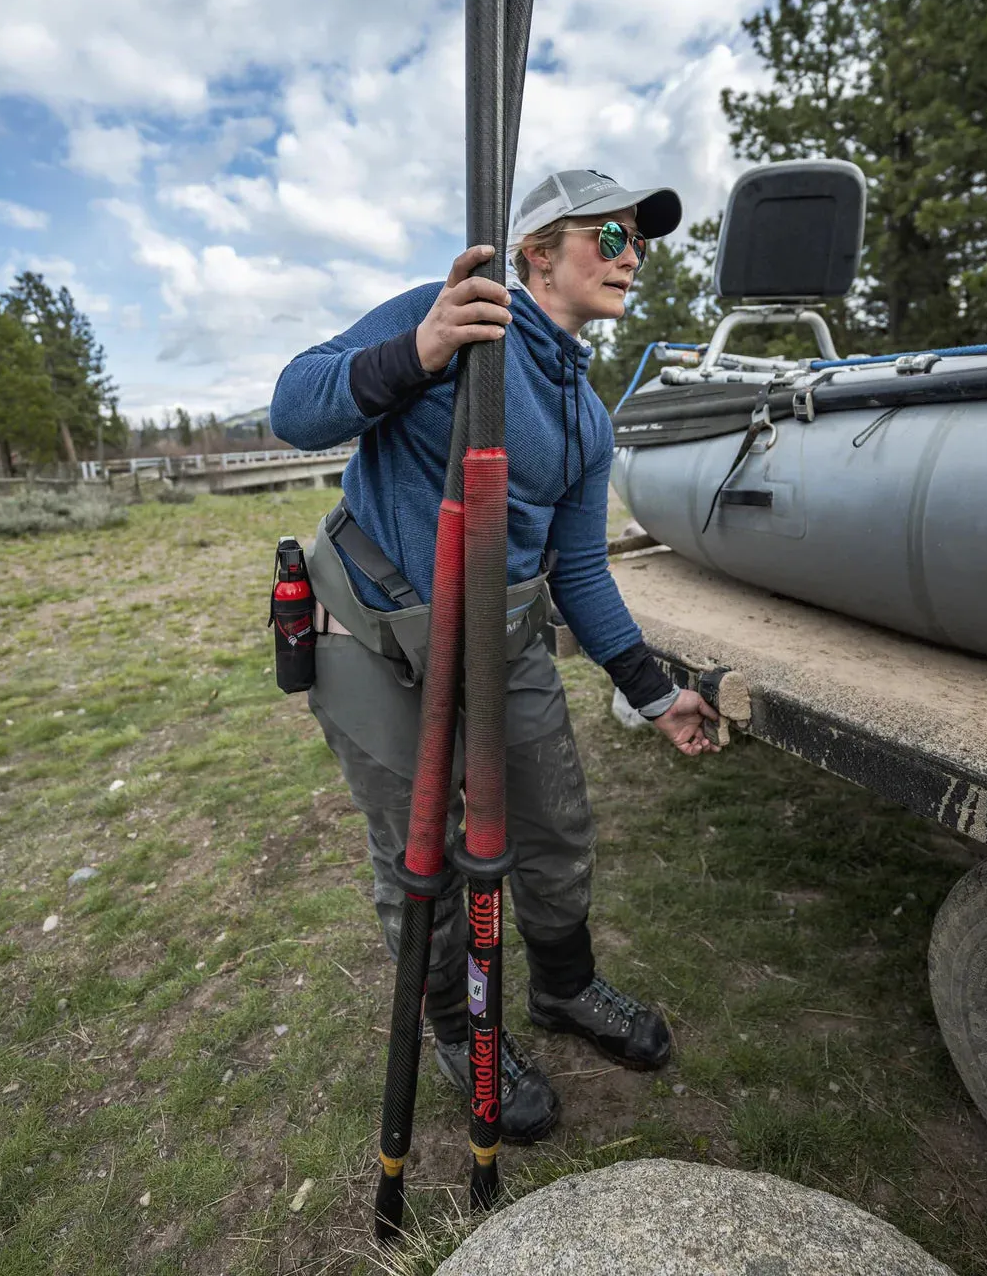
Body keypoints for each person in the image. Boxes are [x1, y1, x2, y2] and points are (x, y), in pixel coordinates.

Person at [269, 168, 722, 1145]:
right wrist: (419, 348)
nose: (630, 254)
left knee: (554, 820)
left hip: (499, 635)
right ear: (536, 255)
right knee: (420, 855)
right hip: (371, 636)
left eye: (636, 240)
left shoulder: (585, 417)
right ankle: (454, 1029)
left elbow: (582, 574)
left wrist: (652, 693)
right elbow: (294, 404)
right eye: (608, 235)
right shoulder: (454, 316)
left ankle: (563, 989)